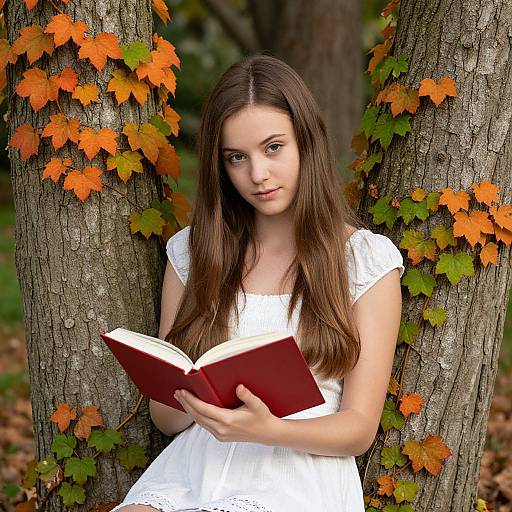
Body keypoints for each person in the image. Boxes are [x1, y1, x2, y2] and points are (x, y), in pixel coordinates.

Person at [111, 53, 404, 512]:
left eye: (273, 148)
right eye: (236, 158)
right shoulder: (193, 253)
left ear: (305, 141)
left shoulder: (364, 261)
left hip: (299, 472)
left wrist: (268, 430)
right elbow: (165, 421)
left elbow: (358, 429)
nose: (258, 175)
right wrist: (186, 396)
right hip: (194, 467)